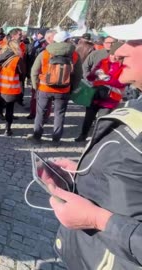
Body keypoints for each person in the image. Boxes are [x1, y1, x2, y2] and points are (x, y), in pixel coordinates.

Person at [47, 17, 142, 269]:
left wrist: (99, 220)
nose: (119, 51)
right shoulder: (136, 104)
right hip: (89, 255)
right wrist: (82, 173)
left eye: (135, 41)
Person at [29, 31, 82, 143]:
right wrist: (72, 88)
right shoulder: (75, 55)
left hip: (44, 88)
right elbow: (78, 75)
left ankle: (37, 136)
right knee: (59, 114)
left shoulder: (45, 53)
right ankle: (56, 138)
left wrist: (35, 86)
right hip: (63, 89)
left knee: (41, 113)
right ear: (67, 41)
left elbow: (34, 71)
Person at [74, 42, 126, 142]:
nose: (114, 57)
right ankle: (83, 135)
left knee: (103, 120)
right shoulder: (103, 62)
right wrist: (95, 74)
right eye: (112, 55)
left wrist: (107, 79)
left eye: (117, 56)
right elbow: (91, 76)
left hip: (110, 99)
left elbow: (122, 83)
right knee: (88, 117)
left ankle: (98, 140)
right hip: (95, 95)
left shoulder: (123, 67)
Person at [0, 40, 26, 136]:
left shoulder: (0, 56)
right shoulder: (17, 59)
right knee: (9, 108)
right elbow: (22, 74)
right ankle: (7, 129)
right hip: (10, 88)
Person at [27, 30, 56, 120]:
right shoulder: (42, 46)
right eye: (54, 37)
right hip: (40, 74)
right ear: (49, 37)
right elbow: (32, 59)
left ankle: (44, 115)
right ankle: (34, 112)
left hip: (50, 75)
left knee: (47, 98)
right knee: (35, 95)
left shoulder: (51, 46)